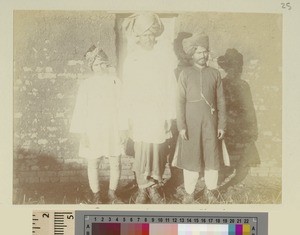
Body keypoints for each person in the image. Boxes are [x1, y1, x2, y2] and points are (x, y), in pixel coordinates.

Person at [120, 13, 177, 204]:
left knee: (158, 149)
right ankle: (142, 188)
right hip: (139, 112)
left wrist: (169, 114)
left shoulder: (163, 59)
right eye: (144, 35)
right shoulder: (132, 59)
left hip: (157, 111)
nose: (148, 39)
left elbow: (171, 87)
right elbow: (127, 89)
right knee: (141, 148)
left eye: (151, 35)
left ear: (155, 36)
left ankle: (154, 188)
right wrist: (127, 116)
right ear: (138, 37)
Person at [172, 32, 226, 203]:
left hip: (211, 122)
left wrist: (222, 125)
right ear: (192, 54)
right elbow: (179, 101)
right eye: (199, 52)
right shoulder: (185, 74)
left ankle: (211, 190)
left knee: (212, 156)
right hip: (190, 123)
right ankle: (189, 193)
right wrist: (181, 126)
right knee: (191, 157)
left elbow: (221, 102)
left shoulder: (215, 74)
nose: (203, 55)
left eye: (205, 52)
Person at [70, 45, 123, 204]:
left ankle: (112, 193)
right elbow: (80, 109)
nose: (100, 67)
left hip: (112, 126)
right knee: (93, 161)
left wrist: (123, 128)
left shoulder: (115, 81)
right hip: (93, 128)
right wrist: (83, 133)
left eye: (102, 63)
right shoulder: (86, 85)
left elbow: (122, 105)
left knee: (115, 160)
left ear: (107, 64)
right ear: (91, 67)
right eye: (96, 64)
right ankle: (96, 194)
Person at [217, 48, 260, 191]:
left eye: (238, 67)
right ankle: (213, 189)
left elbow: (250, 109)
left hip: (242, 131)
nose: (235, 70)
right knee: (225, 165)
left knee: (245, 164)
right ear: (226, 68)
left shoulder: (244, 85)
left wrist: (253, 132)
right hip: (227, 131)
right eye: (231, 67)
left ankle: (226, 187)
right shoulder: (220, 84)